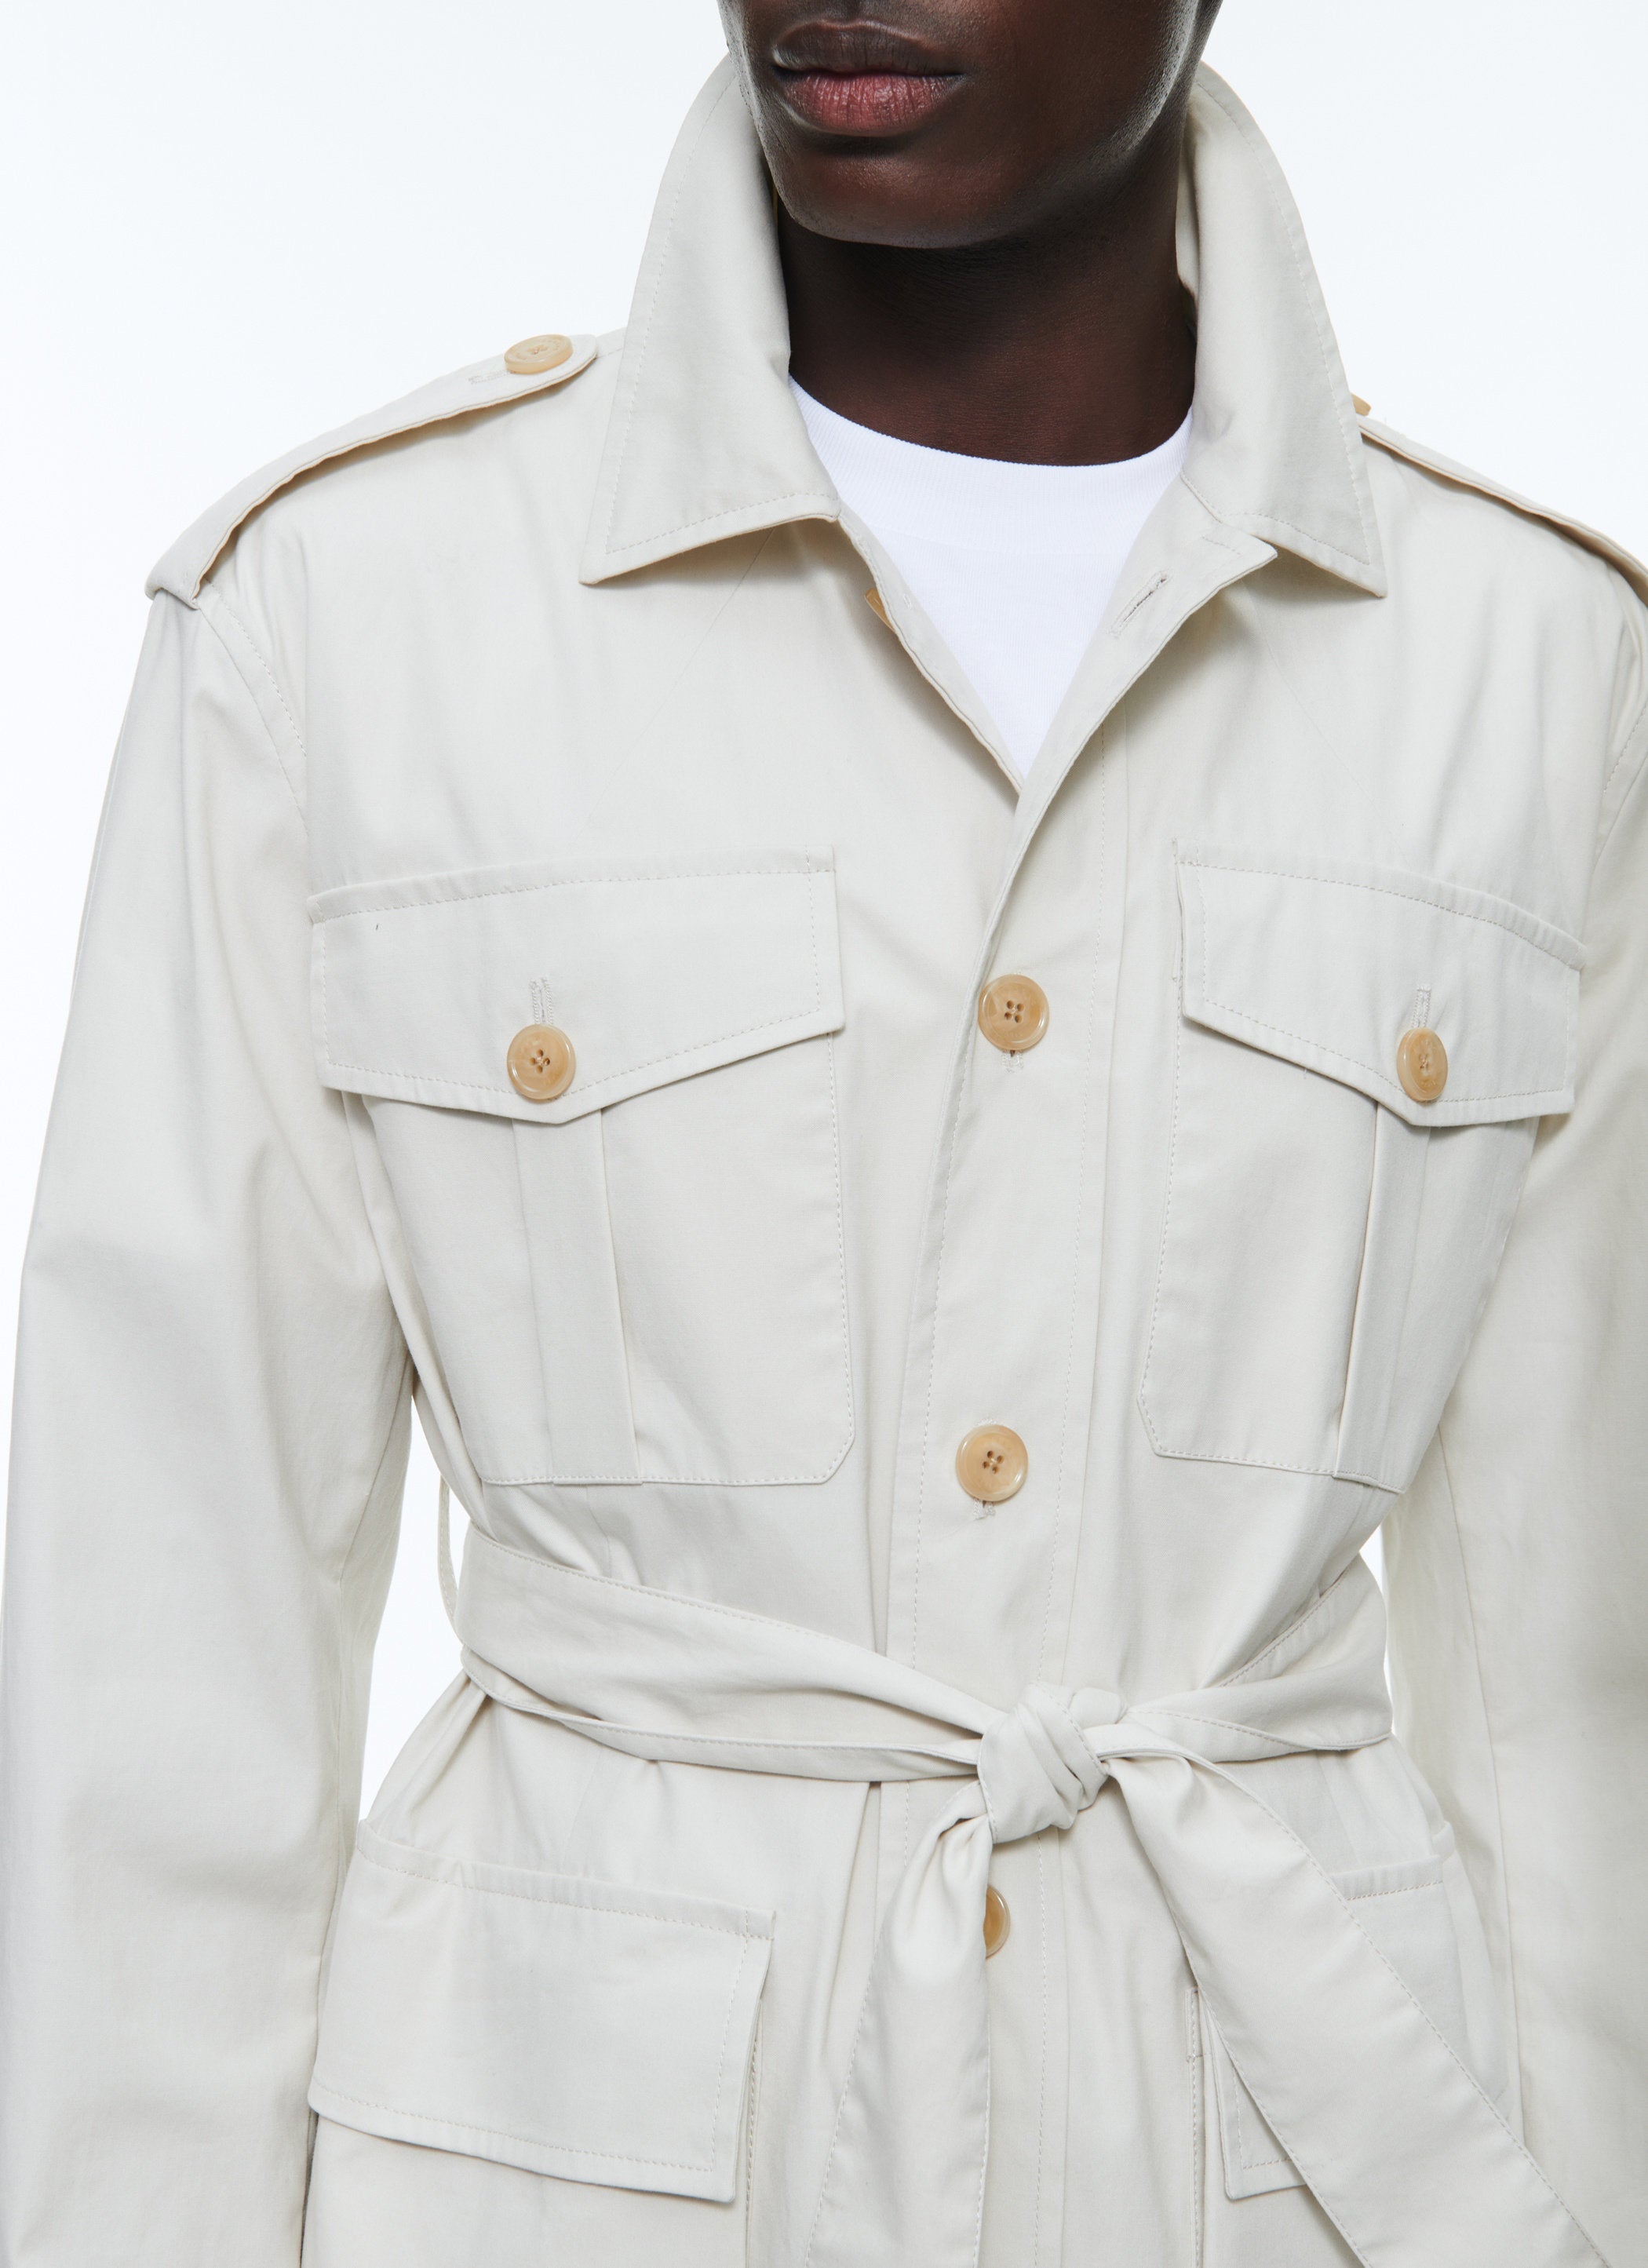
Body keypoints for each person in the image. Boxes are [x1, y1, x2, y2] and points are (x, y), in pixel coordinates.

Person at [2, 1, 1643, 2262]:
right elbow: (158, 1668)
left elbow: (1583, 1702)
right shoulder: (343, 614)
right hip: (563, 2176)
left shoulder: (1536, 668)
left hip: (1295, 2167)